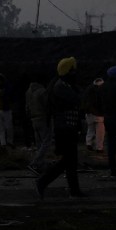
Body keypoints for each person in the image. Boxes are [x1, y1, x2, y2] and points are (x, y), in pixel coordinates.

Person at [35, 57, 86, 199]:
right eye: (73, 70)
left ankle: (74, 190)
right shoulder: (60, 87)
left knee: (70, 162)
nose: (75, 73)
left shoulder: (64, 85)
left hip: (69, 128)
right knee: (68, 161)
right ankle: (43, 181)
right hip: (65, 129)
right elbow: (77, 100)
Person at [25, 75, 51, 176]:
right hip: (42, 118)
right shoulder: (42, 91)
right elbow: (47, 106)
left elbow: (26, 107)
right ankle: (35, 163)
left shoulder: (28, 91)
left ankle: (40, 163)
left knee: (39, 143)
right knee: (46, 142)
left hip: (33, 118)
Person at [82, 77, 105, 153]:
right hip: (98, 113)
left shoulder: (88, 88)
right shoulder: (100, 90)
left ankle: (89, 143)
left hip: (88, 113)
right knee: (100, 132)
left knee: (90, 128)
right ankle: (99, 148)